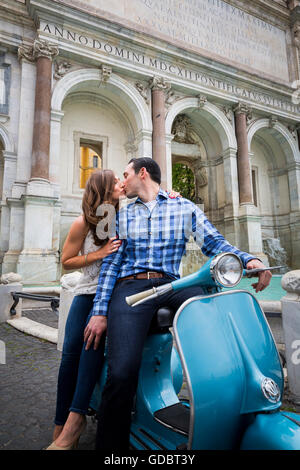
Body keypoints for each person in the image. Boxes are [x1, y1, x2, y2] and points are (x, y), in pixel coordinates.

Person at [84, 157, 272, 451]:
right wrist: (99, 312)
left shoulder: (184, 207)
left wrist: (250, 259)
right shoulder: (118, 214)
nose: (123, 180)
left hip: (173, 284)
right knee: (121, 373)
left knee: (212, 309)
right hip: (130, 287)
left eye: (126, 174)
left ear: (142, 173)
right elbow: (110, 265)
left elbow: (215, 243)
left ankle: (231, 400)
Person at [46, 169, 123, 450]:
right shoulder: (82, 224)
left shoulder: (122, 219)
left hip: (111, 299)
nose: (121, 184)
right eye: (115, 182)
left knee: (91, 349)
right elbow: (66, 261)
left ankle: (74, 424)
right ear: (103, 189)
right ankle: (60, 423)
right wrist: (97, 255)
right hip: (85, 293)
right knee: (69, 358)